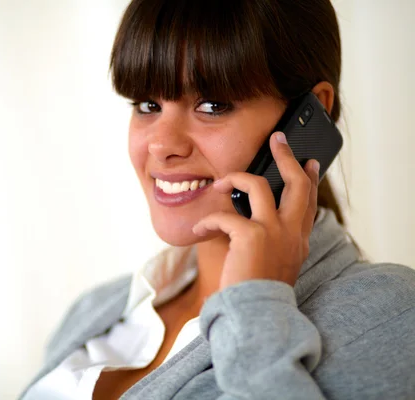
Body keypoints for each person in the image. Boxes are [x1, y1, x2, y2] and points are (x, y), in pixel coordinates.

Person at [21, 0, 415, 399]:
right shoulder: (97, 309)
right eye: (147, 105)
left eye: (212, 105)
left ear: (313, 112)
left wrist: (256, 306)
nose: (161, 145)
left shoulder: (392, 313)